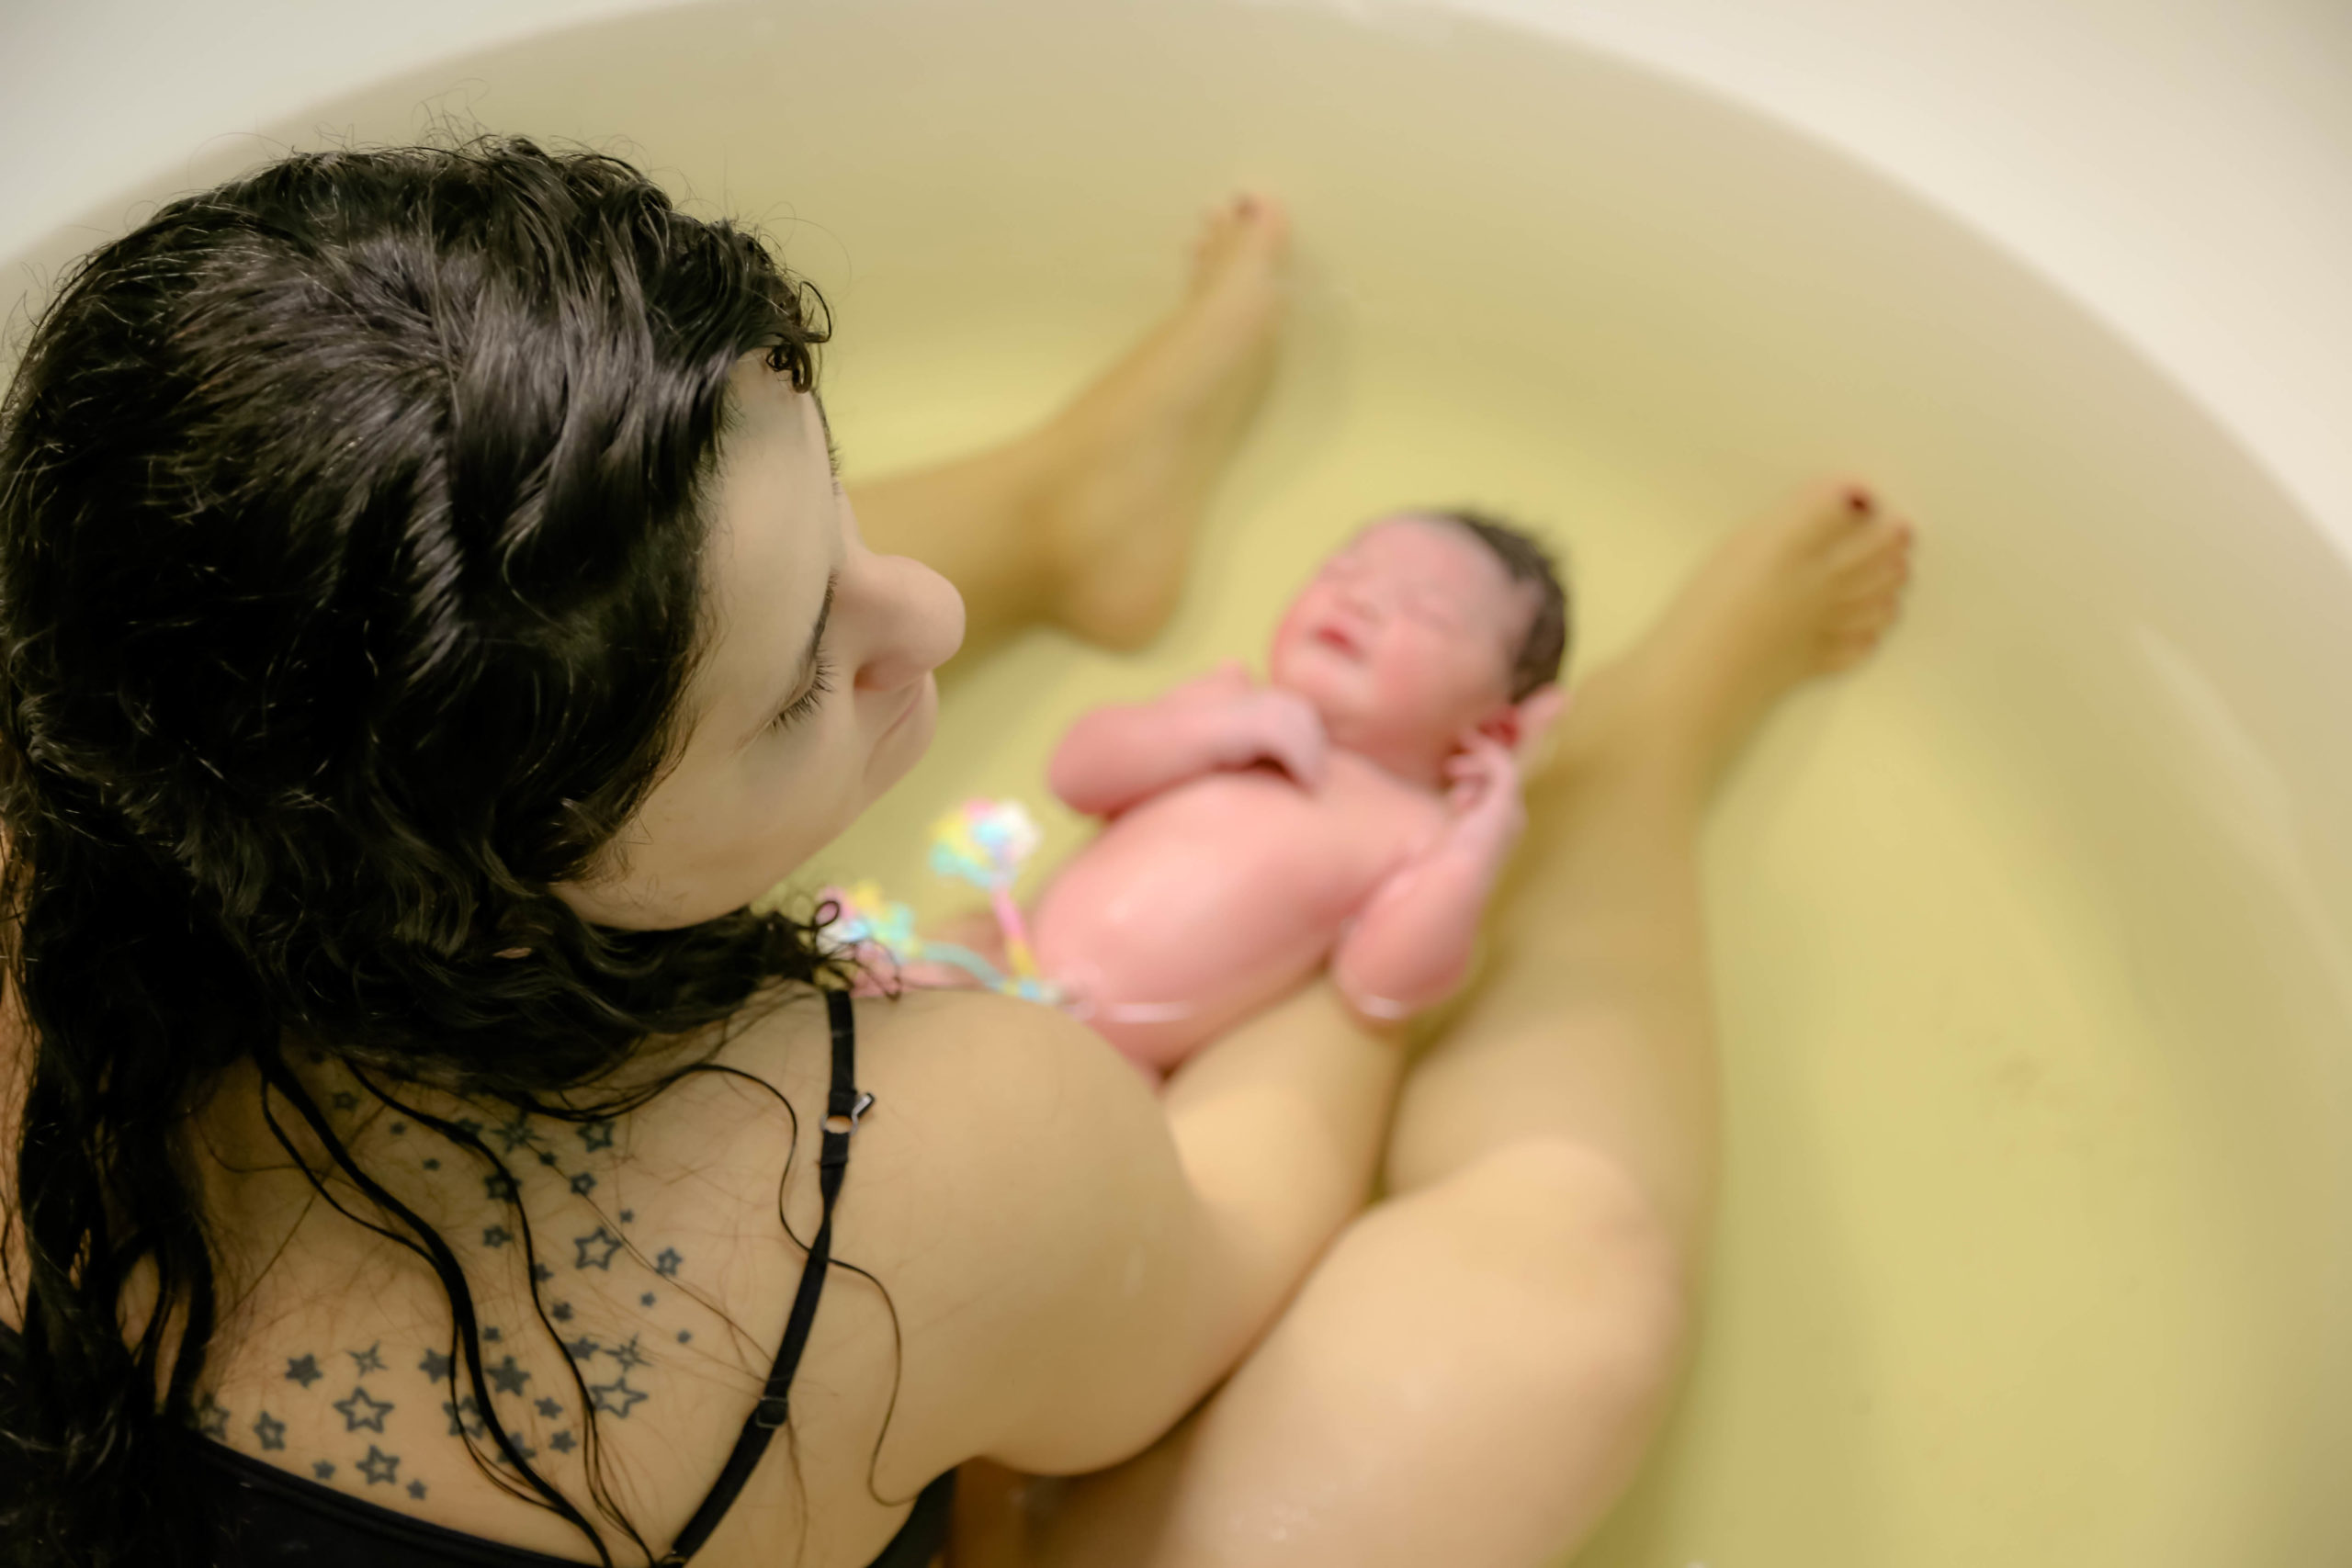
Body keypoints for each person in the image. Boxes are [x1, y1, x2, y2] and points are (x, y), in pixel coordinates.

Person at [0, 135, 1914, 1568]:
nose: (913, 610)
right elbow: (1211, 1267)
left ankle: (1074, 493)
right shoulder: (872, 1173)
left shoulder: (83, 760)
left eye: (841, 497)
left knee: (582, 573)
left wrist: (775, 649)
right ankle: (1609, 789)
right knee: (1556, 1281)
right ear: (510, 898)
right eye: (800, 687)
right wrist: (1387, 844)